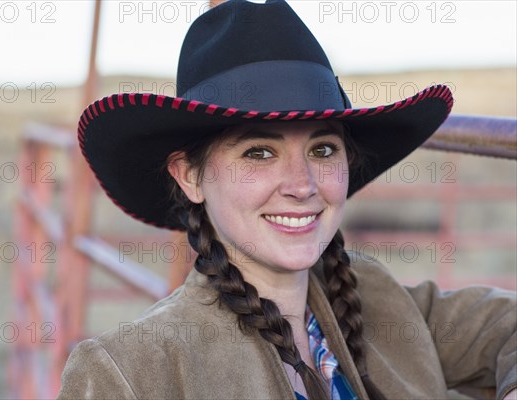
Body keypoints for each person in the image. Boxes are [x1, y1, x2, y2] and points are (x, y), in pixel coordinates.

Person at [58, 1, 516, 399]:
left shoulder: (376, 298)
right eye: (259, 152)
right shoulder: (129, 375)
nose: (302, 184)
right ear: (189, 176)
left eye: (322, 149)